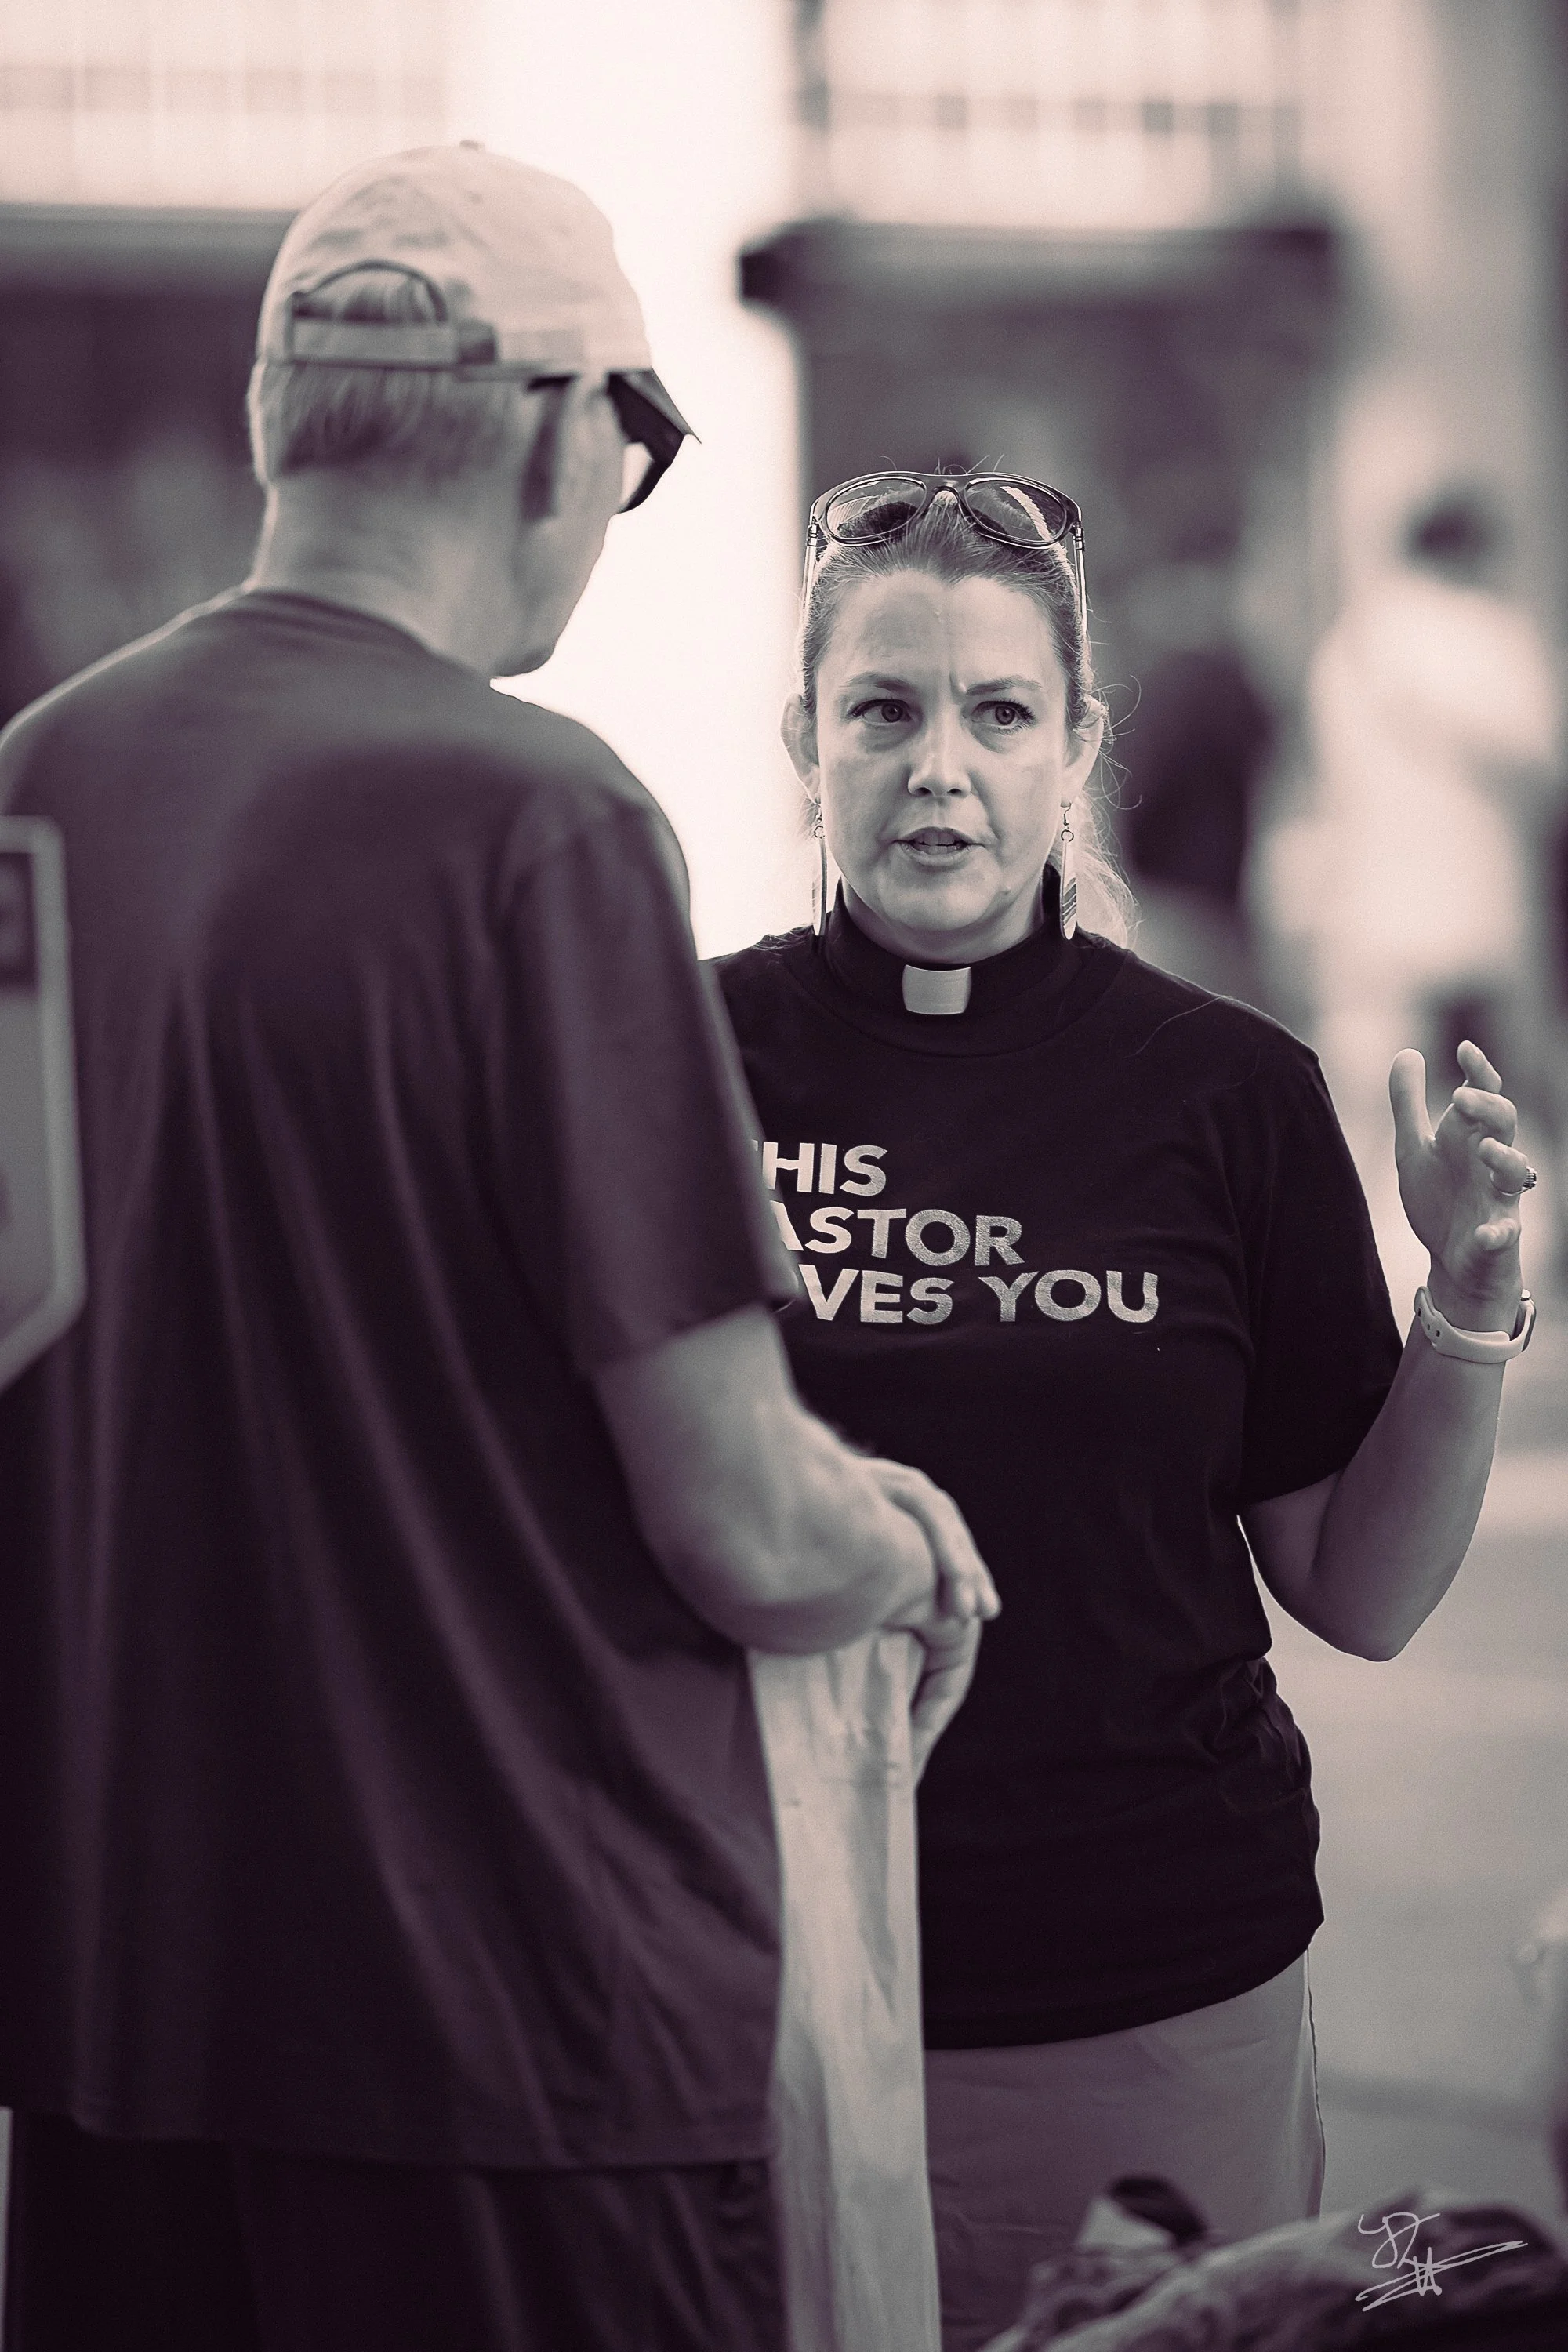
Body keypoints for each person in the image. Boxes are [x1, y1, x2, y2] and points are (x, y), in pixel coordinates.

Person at [0, 158, 996, 2352]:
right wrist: (901, 1544)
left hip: (111, 2034)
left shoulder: (35, 793)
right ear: (566, 432)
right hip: (510, 2043)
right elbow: (742, 1518)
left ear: (285, 418)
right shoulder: (529, 817)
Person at [712, 471, 1537, 2352]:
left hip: (1155, 1986)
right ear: (804, 741)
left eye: (1000, 713)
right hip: (763, 1984)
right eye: (884, 709)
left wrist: (1468, 1313)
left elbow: (1360, 1586)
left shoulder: (1227, 1088)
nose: (942, 769)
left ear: (1074, 743)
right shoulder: (671, 1056)